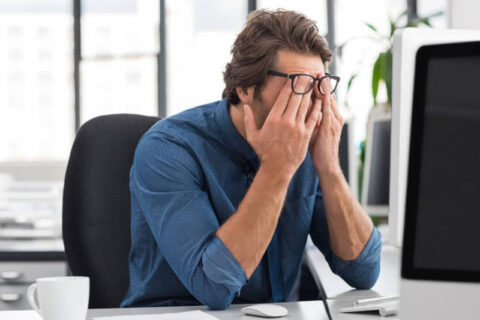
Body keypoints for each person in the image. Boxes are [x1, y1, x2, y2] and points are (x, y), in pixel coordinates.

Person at [121, 9, 381, 310]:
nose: (312, 104)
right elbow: (213, 288)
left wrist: (329, 167)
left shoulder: (309, 148)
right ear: (245, 88)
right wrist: (277, 167)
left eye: (320, 87)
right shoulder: (168, 149)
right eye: (299, 84)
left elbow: (363, 271)